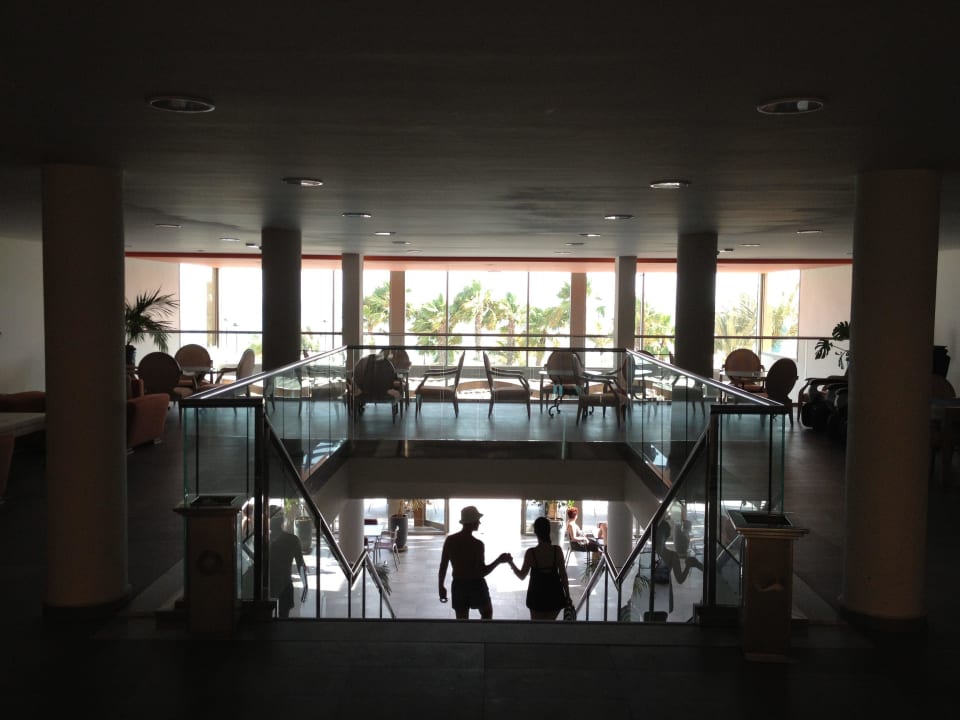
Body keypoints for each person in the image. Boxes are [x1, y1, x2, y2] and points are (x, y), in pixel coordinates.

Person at [438, 505, 512, 619]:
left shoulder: (450, 541)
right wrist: (498, 560)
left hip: (459, 585)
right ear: (472, 522)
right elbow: (481, 572)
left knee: (462, 621)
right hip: (476, 585)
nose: (479, 523)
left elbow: (443, 566)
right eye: (477, 520)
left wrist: (441, 586)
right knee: (487, 614)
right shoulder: (477, 545)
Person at [508, 516, 571, 620]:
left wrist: (511, 563)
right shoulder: (557, 551)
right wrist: (567, 596)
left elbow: (522, 575)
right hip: (555, 597)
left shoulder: (531, 553)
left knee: (537, 627)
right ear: (549, 531)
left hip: (536, 597)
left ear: (536, 532)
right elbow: (563, 576)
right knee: (550, 625)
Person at [269, 512, 308, 618]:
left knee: (266, 617)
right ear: (283, 522)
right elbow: (300, 564)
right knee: (284, 617)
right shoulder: (292, 540)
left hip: (268, 583)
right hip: (285, 582)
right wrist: (305, 584)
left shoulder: (264, 539)